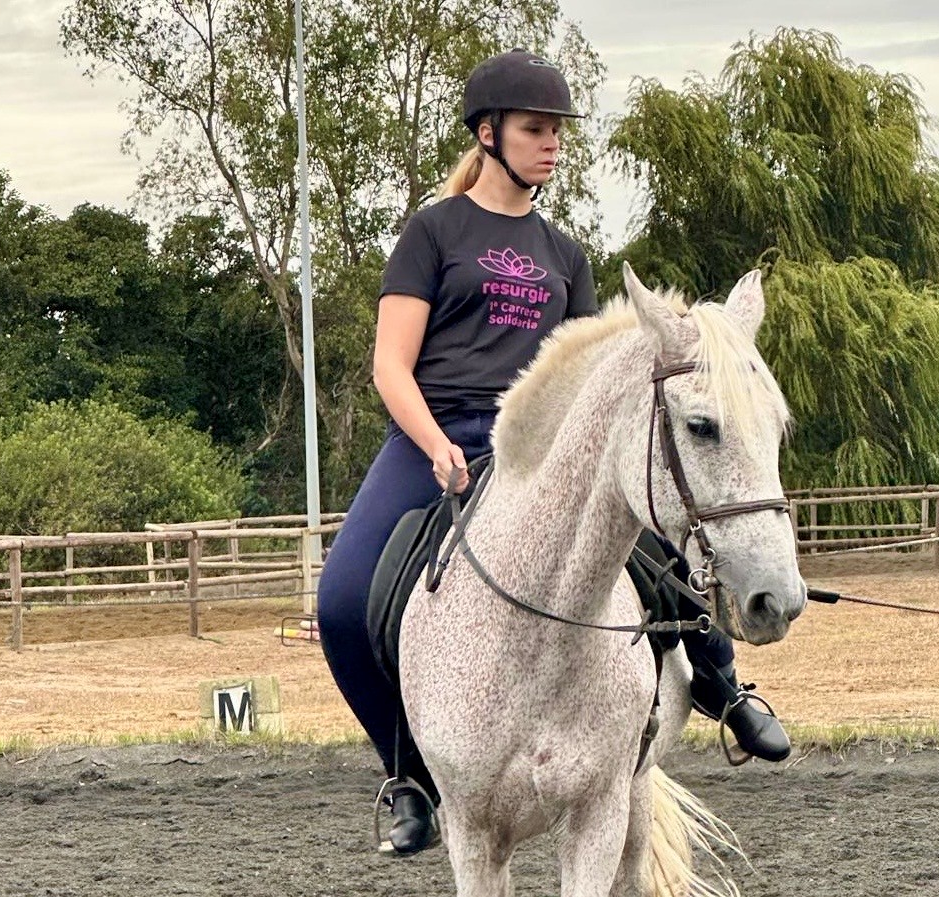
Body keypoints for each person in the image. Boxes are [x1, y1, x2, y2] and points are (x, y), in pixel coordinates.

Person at [315, 48, 789, 860]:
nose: (552, 144)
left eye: (557, 132)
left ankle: (723, 684)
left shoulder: (564, 253)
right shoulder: (431, 233)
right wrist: (433, 444)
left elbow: (585, 369)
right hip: (434, 436)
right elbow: (389, 365)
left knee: (661, 553)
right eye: (535, 129)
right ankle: (408, 776)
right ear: (488, 133)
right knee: (341, 599)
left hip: (538, 443)